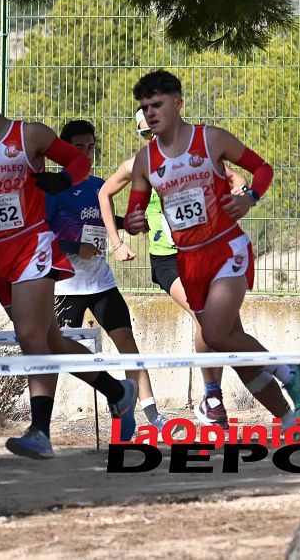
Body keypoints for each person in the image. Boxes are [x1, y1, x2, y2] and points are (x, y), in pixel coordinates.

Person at [0, 68, 136, 460]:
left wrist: (63, 181)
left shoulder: (29, 135)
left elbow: (77, 164)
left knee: (30, 338)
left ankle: (40, 432)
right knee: (49, 341)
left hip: (33, 244)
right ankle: (119, 391)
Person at [122, 69, 300, 428]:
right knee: (229, 343)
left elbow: (262, 169)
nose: (150, 112)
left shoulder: (210, 139)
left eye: (157, 104)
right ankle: (289, 418)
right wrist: (134, 222)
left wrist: (250, 198)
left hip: (226, 248)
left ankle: (291, 374)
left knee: (213, 333)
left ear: (177, 103)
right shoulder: (144, 161)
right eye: (145, 106)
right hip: (189, 262)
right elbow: (136, 208)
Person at [98, 110, 245, 428]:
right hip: (167, 259)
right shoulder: (137, 165)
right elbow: (104, 193)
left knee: (229, 329)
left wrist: (239, 199)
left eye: (157, 130)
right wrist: (116, 242)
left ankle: (213, 398)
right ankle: (213, 397)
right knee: (204, 316)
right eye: (145, 134)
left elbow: (238, 178)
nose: (153, 138)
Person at [46, 119, 171, 430]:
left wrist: (131, 224)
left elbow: (107, 220)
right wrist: (74, 246)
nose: (86, 153)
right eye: (78, 148)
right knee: (58, 353)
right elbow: (41, 235)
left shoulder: (98, 187)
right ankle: (48, 421)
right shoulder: (52, 191)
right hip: (65, 288)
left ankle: (153, 417)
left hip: (102, 284)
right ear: (63, 152)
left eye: (91, 147)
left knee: (129, 346)